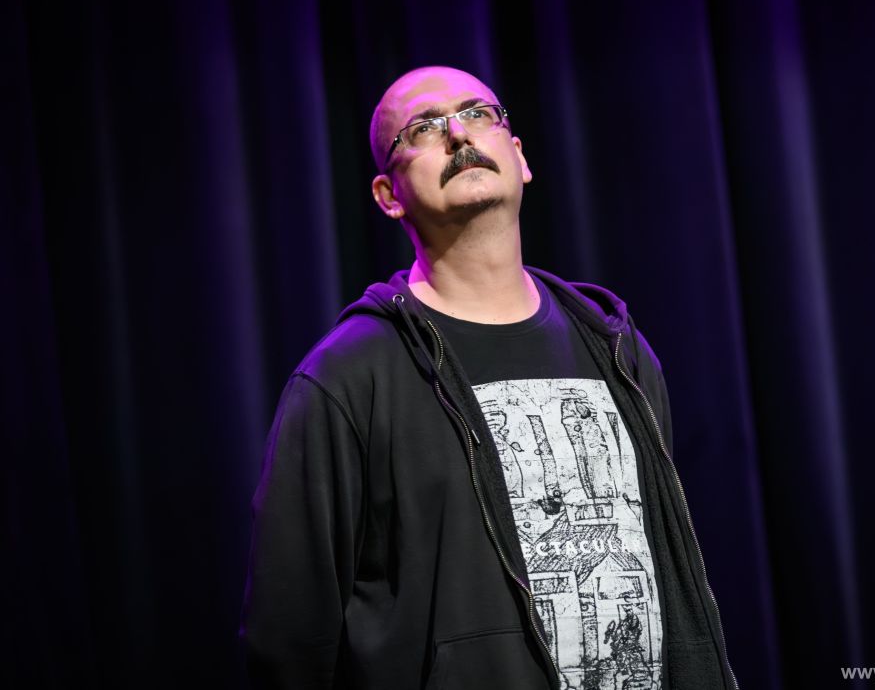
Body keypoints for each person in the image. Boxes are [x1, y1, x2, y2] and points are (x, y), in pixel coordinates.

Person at [239, 65, 736, 690]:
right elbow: (289, 637)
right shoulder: (349, 376)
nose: (458, 134)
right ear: (388, 195)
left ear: (519, 157)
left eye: (478, 114)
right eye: (423, 127)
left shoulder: (616, 347)